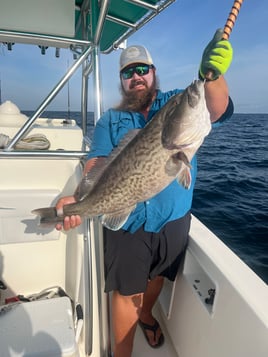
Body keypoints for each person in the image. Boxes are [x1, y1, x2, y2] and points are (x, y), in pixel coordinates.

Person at [55, 29, 234, 357]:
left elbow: (215, 106)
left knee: (159, 276)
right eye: (128, 72)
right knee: (125, 291)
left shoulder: (176, 101)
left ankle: (148, 314)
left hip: (173, 217)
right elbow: (96, 161)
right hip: (129, 219)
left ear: (153, 73)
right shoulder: (111, 119)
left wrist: (213, 74)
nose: (136, 77)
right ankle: (122, 352)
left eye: (142, 69)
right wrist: (79, 198)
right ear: (122, 81)